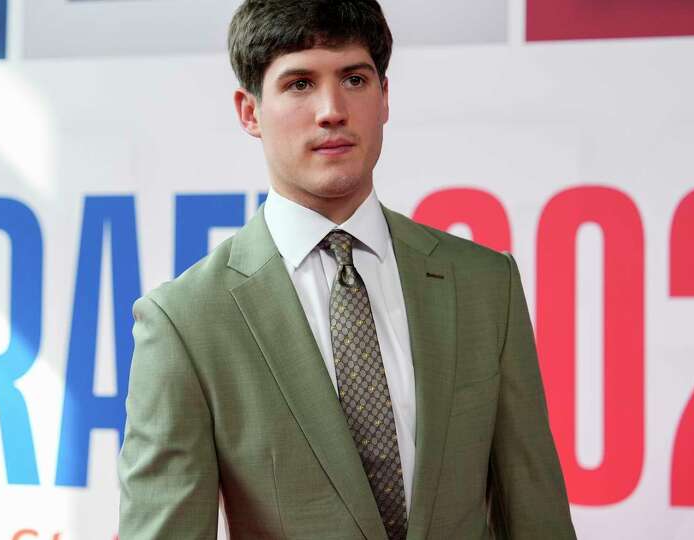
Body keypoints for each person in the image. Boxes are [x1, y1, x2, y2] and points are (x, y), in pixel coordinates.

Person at [118, 1, 576, 538]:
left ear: (385, 97)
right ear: (249, 112)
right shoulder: (185, 322)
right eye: (298, 84)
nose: (332, 108)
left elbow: (537, 516)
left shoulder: (484, 284)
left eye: (355, 79)